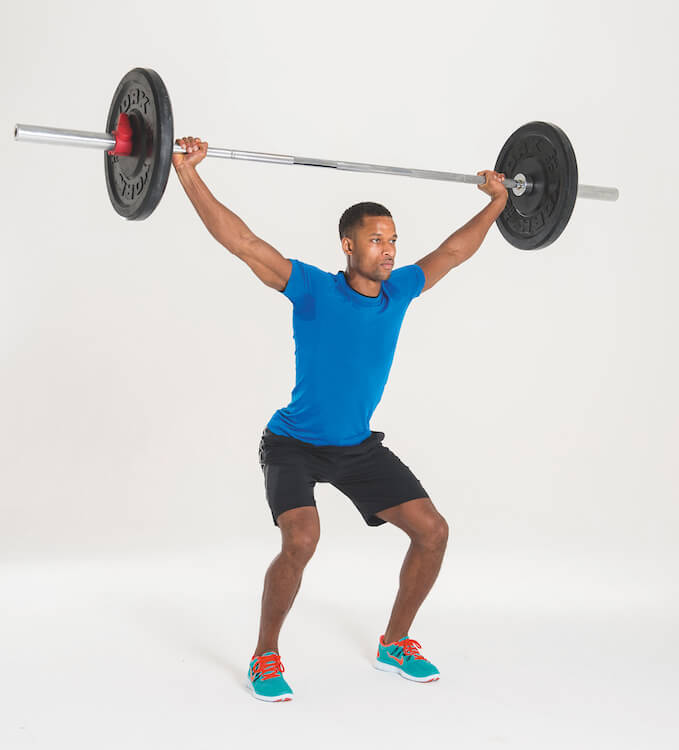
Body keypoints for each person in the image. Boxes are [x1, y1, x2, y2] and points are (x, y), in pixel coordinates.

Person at [173, 135, 508, 703]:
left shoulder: (399, 291)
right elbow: (243, 242)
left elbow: (453, 251)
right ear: (347, 245)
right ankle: (265, 655)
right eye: (377, 240)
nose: (389, 250)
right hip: (293, 443)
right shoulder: (310, 288)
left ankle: (395, 643)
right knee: (302, 541)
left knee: (433, 533)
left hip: (356, 447)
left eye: (394, 240)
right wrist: (186, 175)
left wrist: (498, 203)